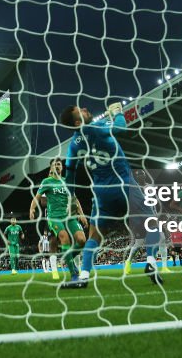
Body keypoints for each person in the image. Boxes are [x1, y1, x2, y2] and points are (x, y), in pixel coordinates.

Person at [59, 102, 161, 288]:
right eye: (80, 111)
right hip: (124, 185)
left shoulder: (73, 145)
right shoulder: (97, 128)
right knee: (152, 223)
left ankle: (83, 277)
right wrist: (118, 113)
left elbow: (69, 174)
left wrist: (70, 198)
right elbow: (121, 128)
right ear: (76, 123)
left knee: (94, 237)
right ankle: (151, 263)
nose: (85, 109)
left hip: (101, 193)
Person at [29, 158, 88, 282]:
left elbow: (75, 199)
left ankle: (68, 257)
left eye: (59, 164)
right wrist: (32, 209)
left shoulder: (67, 182)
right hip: (54, 217)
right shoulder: (47, 181)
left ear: (62, 167)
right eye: (54, 165)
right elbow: (37, 197)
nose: (57, 166)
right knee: (63, 238)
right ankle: (74, 274)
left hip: (69, 217)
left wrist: (81, 214)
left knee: (82, 240)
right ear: (51, 168)